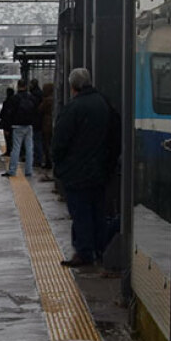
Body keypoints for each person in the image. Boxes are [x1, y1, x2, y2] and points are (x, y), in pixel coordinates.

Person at [53, 68, 112, 267]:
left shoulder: (73, 108)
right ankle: (100, 249)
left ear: (72, 87)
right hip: (100, 170)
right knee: (98, 211)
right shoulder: (103, 104)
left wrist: (60, 166)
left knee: (81, 214)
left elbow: (59, 141)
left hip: (77, 172)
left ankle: (84, 252)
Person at [3, 79, 38, 178]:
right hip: (29, 126)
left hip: (17, 126)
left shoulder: (14, 99)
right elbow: (36, 111)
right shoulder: (31, 98)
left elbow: (9, 114)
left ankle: (12, 170)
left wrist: (7, 128)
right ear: (26, 86)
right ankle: (28, 171)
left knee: (16, 148)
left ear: (18, 86)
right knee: (29, 148)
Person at [38, 82, 55, 170]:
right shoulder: (55, 99)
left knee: (46, 143)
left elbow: (40, 109)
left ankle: (49, 161)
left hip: (46, 124)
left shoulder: (46, 100)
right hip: (52, 123)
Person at [29, 78, 45, 167]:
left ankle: (38, 160)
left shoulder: (33, 96)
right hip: (40, 121)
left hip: (36, 121)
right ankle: (38, 158)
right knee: (38, 140)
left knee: (36, 140)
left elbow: (34, 109)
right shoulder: (41, 94)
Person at [0, 87, 15, 156]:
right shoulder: (16, 101)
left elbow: (5, 114)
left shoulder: (7, 102)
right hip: (14, 123)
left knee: (8, 139)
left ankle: (8, 151)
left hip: (7, 124)